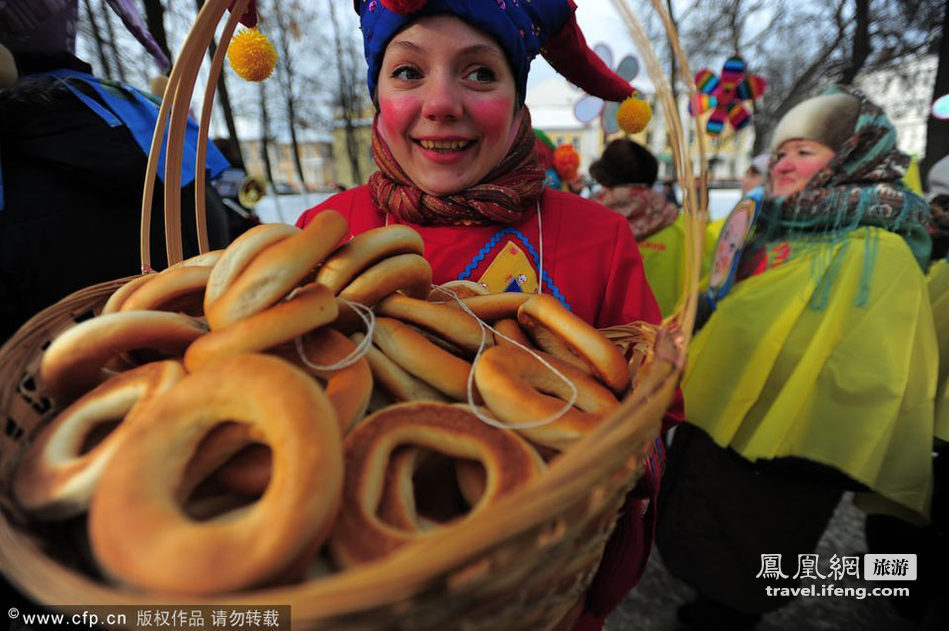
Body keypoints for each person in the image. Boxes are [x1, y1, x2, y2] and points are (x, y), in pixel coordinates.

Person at [295, 1, 681, 628]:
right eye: (408, 72)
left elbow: (651, 406)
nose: (442, 102)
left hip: (534, 589)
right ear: (377, 97)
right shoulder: (326, 231)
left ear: (521, 105)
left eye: (479, 74)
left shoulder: (600, 237)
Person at [656, 86, 936, 630]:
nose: (784, 163)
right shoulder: (771, 230)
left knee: (751, 558)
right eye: (781, 152)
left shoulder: (878, 249)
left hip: (784, 455)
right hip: (717, 430)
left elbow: (876, 366)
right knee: (701, 532)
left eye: (803, 151)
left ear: (855, 155)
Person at [0, 0, 232, 342]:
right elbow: (220, 232)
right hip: (213, 335)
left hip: (50, 378)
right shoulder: (151, 115)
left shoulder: (156, 114)